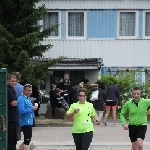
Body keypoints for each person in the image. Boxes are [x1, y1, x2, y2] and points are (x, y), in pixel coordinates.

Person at [17, 84, 38, 150]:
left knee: (27, 140)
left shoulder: (28, 99)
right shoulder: (21, 99)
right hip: (25, 121)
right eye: (27, 91)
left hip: (29, 121)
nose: (29, 92)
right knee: (27, 140)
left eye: (30, 91)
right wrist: (32, 108)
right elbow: (21, 110)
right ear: (23, 90)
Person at [7, 75, 18, 150]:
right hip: (10, 117)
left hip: (14, 117)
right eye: (12, 81)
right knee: (10, 138)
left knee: (14, 137)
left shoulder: (12, 89)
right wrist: (20, 102)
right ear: (8, 81)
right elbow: (13, 103)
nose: (14, 83)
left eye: (15, 81)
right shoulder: (8, 90)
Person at [12, 72, 23, 141]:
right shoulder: (22, 88)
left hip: (10, 111)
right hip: (19, 111)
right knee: (17, 130)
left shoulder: (9, 87)